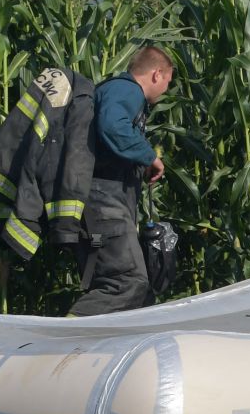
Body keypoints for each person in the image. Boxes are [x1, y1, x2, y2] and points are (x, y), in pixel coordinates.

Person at [70, 45, 173, 316]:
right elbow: (112, 125)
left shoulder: (117, 92)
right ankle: (68, 337)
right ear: (156, 74)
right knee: (127, 282)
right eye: (167, 82)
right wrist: (149, 156)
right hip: (103, 204)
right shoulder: (127, 90)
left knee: (128, 292)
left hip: (98, 207)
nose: (165, 90)